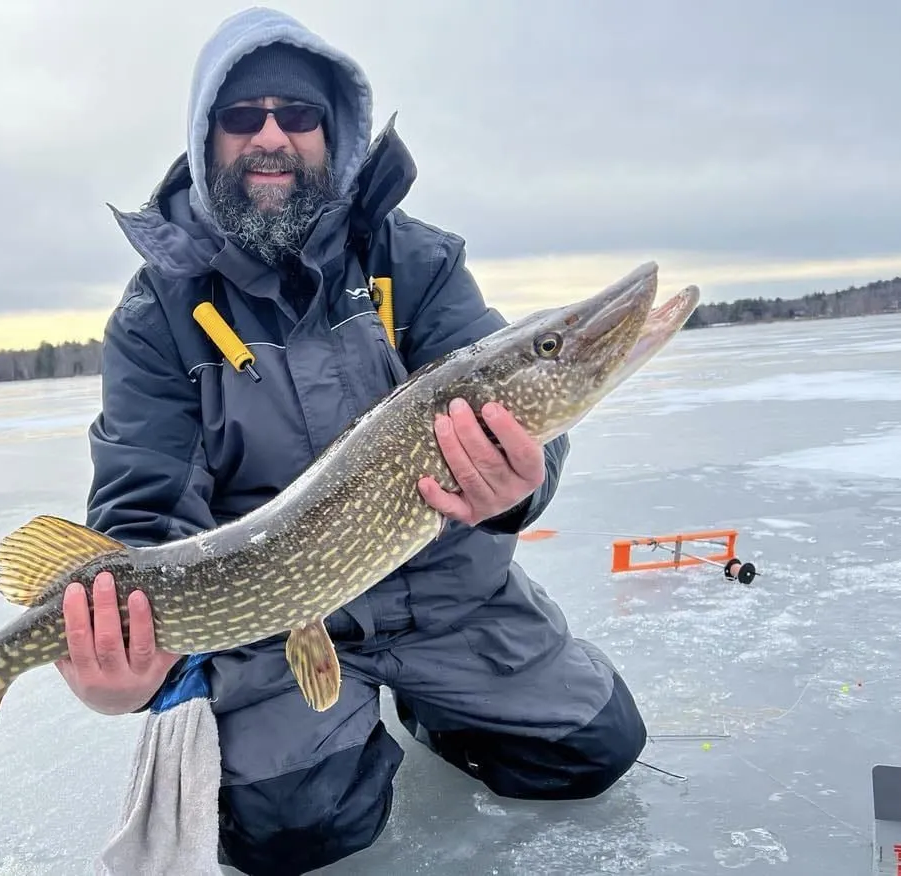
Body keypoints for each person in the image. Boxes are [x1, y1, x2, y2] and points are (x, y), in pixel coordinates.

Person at [60, 7, 648, 874]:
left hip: (446, 596)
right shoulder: (159, 316)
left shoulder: (418, 264)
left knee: (592, 747)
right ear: (204, 137)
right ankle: (336, 730)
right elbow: (143, 519)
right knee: (293, 833)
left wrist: (517, 484)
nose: (271, 135)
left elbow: (528, 434)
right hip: (276, 628)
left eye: (297, 116)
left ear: (334, 133)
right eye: (242, 116)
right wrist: (125, 665)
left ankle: (441, 707)